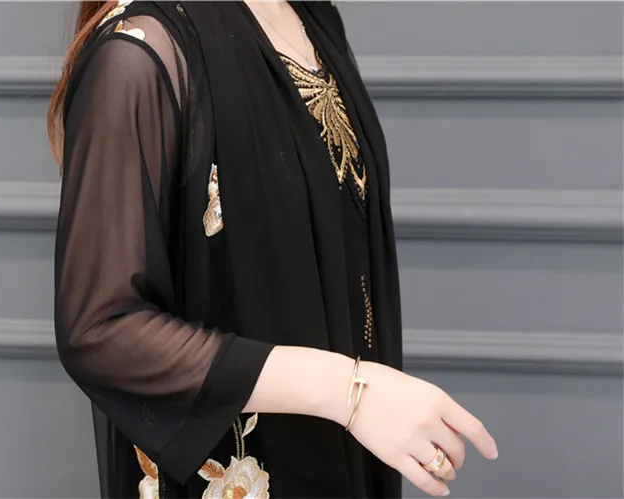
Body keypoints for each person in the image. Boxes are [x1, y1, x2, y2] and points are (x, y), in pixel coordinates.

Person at [47, 1, 499, 498]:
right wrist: (352, 393)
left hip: (336, 463)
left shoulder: (310, 19)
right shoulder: (142, 52)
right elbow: (102, 328)